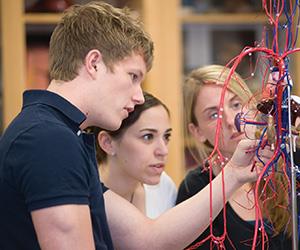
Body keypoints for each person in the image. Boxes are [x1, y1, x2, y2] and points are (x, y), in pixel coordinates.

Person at [0, 2, 264, 249]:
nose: (139, 96)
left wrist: (233, 174)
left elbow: (146, 239)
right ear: (94, 63)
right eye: (133, 76)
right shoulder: (49, 139)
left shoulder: (58, 133)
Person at [176, 65, 300, 249]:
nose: (232, 121)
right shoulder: (195, 188)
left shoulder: (296, 162)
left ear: (253, 107)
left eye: (236, 104)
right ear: (197, 131)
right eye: (214, 115)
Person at [91, 92, 177, 219]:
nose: (163, 151)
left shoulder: (164, 186)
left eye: (166, 136)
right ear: (108, 143)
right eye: (148, 136)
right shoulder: (83, 198)